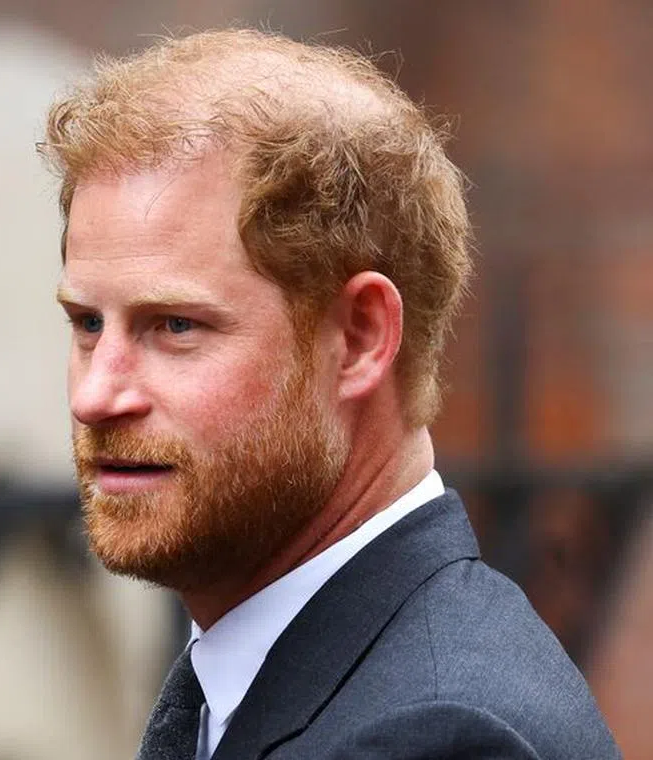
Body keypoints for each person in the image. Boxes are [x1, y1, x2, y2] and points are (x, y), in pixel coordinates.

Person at [38, 28, 620, 759]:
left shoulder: (440, 736)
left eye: (176, 325)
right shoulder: (260, 677)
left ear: (360, 338)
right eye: (88, 323)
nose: (96, 394)